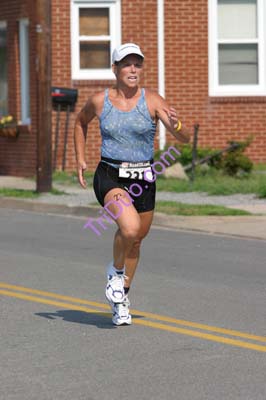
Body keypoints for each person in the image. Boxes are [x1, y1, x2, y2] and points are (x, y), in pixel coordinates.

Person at [74, 43, 190, 326]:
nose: (133, 69)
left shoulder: (151, 100)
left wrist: (176, 125)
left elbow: (185, 138)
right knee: (129, 227)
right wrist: (80, 159)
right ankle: (115, 273)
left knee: (136, 241)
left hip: (144, 178)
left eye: (137, 64)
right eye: (127, 64)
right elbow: (80, 123)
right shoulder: (99, 101)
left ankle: (121, 298)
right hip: (110, 175)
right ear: (115, 69)